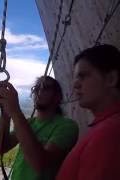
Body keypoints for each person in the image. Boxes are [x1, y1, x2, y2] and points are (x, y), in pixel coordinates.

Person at [0, 76, 79, 180]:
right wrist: (5, 112)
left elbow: (40, 163)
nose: (39, 91)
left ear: (58, 96)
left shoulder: (67, 126)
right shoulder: (29, 123)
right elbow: (0, 148)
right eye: (36, 88)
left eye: (45, 87)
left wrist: (14, 110)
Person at [56, 44, 120, 180]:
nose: (75, 84)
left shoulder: (109, 132)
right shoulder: (106, 127)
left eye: (83, 76)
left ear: (111, 79)